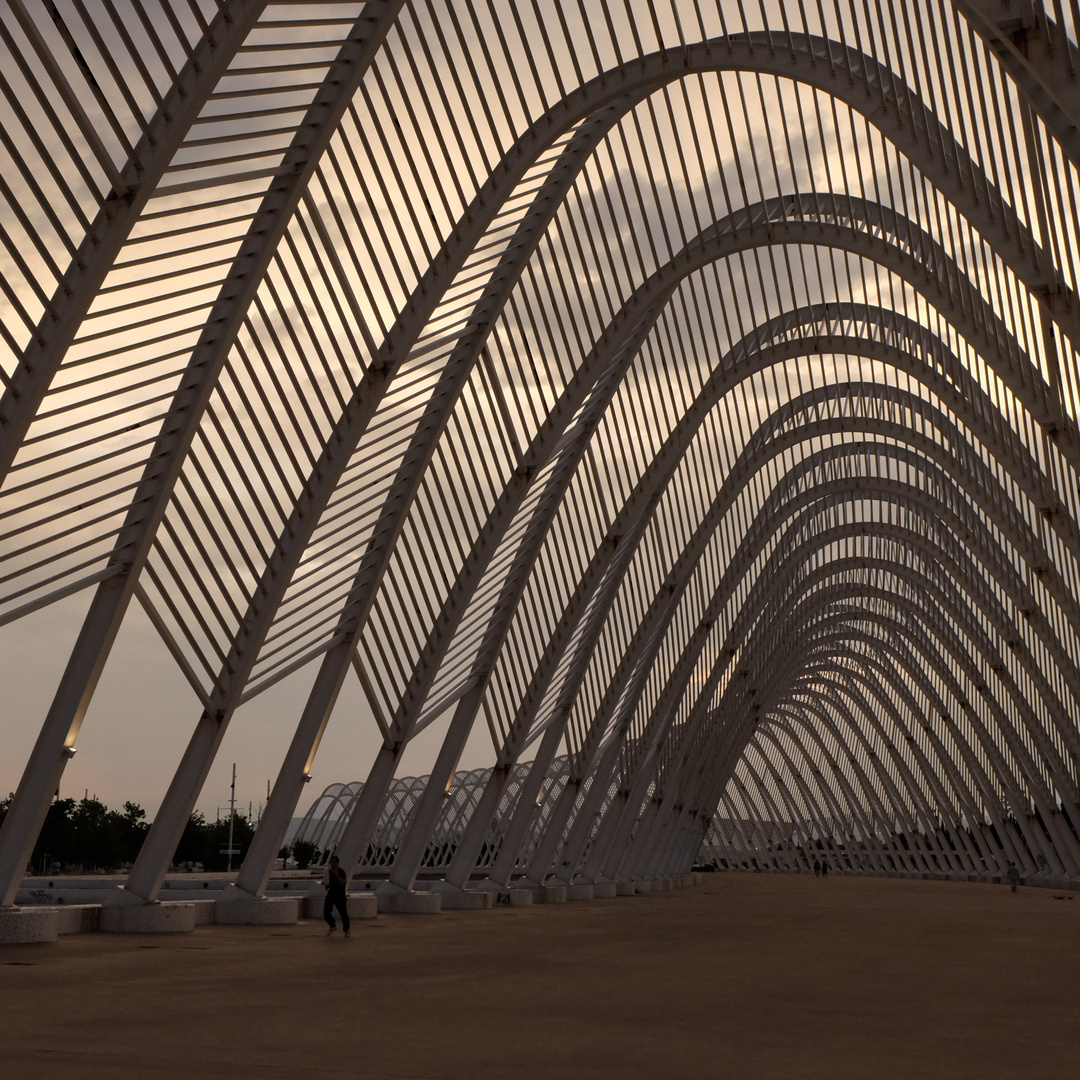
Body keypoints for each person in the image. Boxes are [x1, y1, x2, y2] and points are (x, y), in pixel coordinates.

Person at [324, 855, 350, 936]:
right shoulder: (330, 872)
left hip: (340, 896)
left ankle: (347, 930)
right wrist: (328, 886)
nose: (332, 864)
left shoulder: (341, 872)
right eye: (331, 862)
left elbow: (344, 883)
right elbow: (332, 882)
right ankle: (332, 925)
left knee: (343, 914)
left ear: (337, 863)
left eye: (334, 862)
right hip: (331, 894)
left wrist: (337, 875)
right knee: (326, 912)